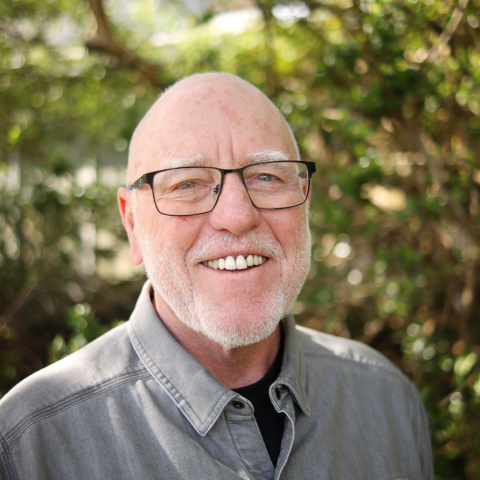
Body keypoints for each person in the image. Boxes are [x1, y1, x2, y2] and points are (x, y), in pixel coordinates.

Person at [0, 73, 433, 480]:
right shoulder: (28, 445)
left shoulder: (388, 401)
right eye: (187, 184)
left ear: (305, 203)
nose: (238, 216)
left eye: (267, 177)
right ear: (132, 224)